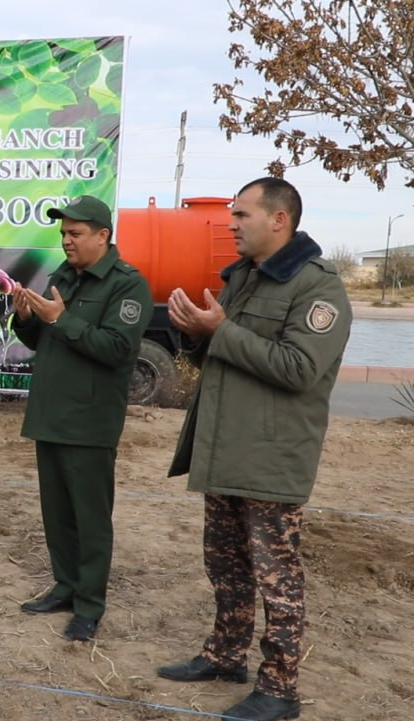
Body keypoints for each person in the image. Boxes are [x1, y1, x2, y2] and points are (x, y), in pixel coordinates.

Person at [156, 177, 351, 721]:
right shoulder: (241, 277)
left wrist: (222, 332)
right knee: (226, 564)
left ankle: (280, 688)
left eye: (241, 215)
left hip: (270, 454)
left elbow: (300, 369)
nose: (231, 224)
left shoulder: (318, 287)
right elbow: (224, 358)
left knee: (276, 577)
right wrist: (196, 334)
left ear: (279, 220)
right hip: (225, 447)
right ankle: (224, 655)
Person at [9, 195, 152, 642]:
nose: (66, 241)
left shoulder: (127, 285)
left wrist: (63, 319)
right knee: (57, 513)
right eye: (63, 234)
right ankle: (65, 586)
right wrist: (26, 319)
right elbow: (41, 340)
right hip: (51, 414)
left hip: (89, 421)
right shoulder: (62, 276)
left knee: (90, 518)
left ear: (103, 236)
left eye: (75, 234)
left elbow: (117, 349)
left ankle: (89, 604)